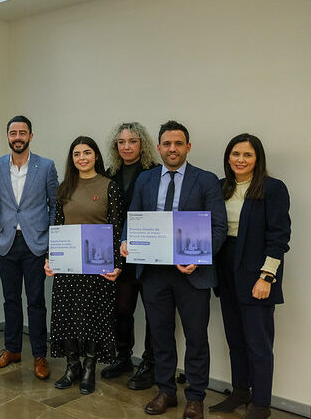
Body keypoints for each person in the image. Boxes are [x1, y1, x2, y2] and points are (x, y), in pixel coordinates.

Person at [121, 120, 227, 419]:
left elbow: (217, 226)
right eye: (166, 144)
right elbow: (135, 217)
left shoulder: (206, 181)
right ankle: (165, 391)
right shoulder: (146, 180)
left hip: (193, 273)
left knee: (196, 338)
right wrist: (128, 239)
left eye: (178, 143)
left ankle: (195, 397)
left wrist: (201, 256)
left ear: (188, 147)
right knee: (160, 336)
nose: (172, 149)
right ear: (158, 147)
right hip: (154, 273)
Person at [209, 134, 290, 419]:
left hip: (256, 273)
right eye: (235, 154)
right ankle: (241, 392)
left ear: (258, 159)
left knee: (258, 343)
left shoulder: (273, 188)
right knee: (235, 339)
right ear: (228, 157)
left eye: (247, 155)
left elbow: (279, 237)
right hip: (225, 271)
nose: (240, 160)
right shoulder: (220, 188)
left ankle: (261, 404)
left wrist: (267, 277)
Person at [44, 136, 122, 394]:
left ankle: (89, 368)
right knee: (66, 316)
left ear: (96, 156)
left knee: (92, 319)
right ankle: (72, 366)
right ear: (72, 159)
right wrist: (50, 258)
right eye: (77, 154)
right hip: (67, 266)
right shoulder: (65, 187)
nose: (82, 158)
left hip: (97, 267)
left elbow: (116, 229)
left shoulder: (110, 186)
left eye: (87, 152)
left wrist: (117, 264)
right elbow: (56, 225)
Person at [0, 115, 58, 380]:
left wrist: (49, 238)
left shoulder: (46, 166)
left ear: (30, 135)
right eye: (13, 133)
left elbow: (54, 206)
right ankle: (12, 349)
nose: (18, 137)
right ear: (7, 136)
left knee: (36, 301)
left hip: (35, 244)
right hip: (5, 243)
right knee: (11, 300)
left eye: (22, 132)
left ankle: (40, 355)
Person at [102, 122, 159, 389]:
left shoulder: (155, 172)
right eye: (121, 142)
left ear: (142, 144)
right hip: (119, 253)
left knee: (153, 311)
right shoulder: (109, 173)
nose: (126, 146)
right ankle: (123, 356)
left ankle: (150, 363)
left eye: (132, 141)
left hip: (148, 252)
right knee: (121, 309)